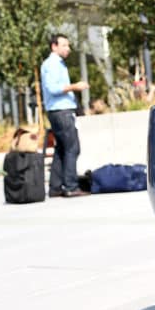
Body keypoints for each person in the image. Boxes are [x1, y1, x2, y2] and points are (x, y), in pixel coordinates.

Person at [41, 34, 90, 198]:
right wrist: (75, 86)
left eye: (68, 46)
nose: (67, 49)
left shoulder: (57, 64)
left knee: (61, 148)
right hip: (61, 111)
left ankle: (55, 188)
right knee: (72, 148)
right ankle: (70, 186)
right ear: (54, 47)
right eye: (64, 45)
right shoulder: (53, 64)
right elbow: (53, 88)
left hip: (58, 110)